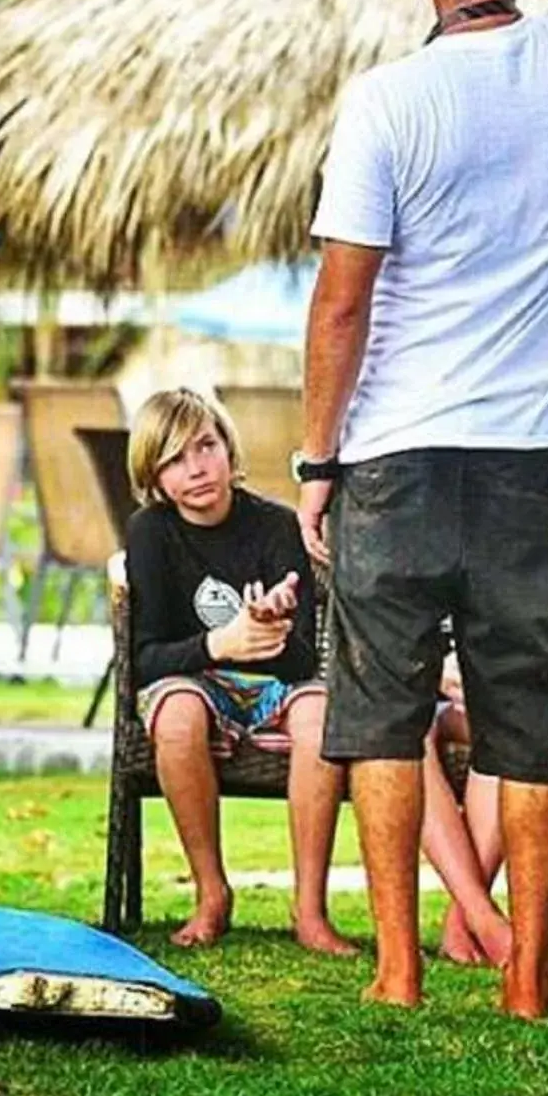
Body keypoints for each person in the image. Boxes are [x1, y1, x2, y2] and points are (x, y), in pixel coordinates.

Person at [296, 0, 548, 1018]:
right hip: (525, 464)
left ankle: (398, 966)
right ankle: (527, 979)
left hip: (393, 454)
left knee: (383, 714)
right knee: (524, 725)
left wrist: (317, 460)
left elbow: (343, 301)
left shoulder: (388, 99)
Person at [122, 387, 353, 955]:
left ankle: (309, 909)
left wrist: (271, 628)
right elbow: (144, 660)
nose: (196, 468)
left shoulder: (277, 527)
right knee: (175, 714)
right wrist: (221, 642)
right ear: (154, 476)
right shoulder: (151, 532)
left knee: (320, 716)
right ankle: (211, 893)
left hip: (273, 685)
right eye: (174, 459)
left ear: (229, 447)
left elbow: (303, 663)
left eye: (205, 446)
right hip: (195, 683)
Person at [425, 643, 512, 966]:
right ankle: (482, 916)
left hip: (482, 697)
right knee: (403, 739)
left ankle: (461, 920)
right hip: (404, 695)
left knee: (512, 734)